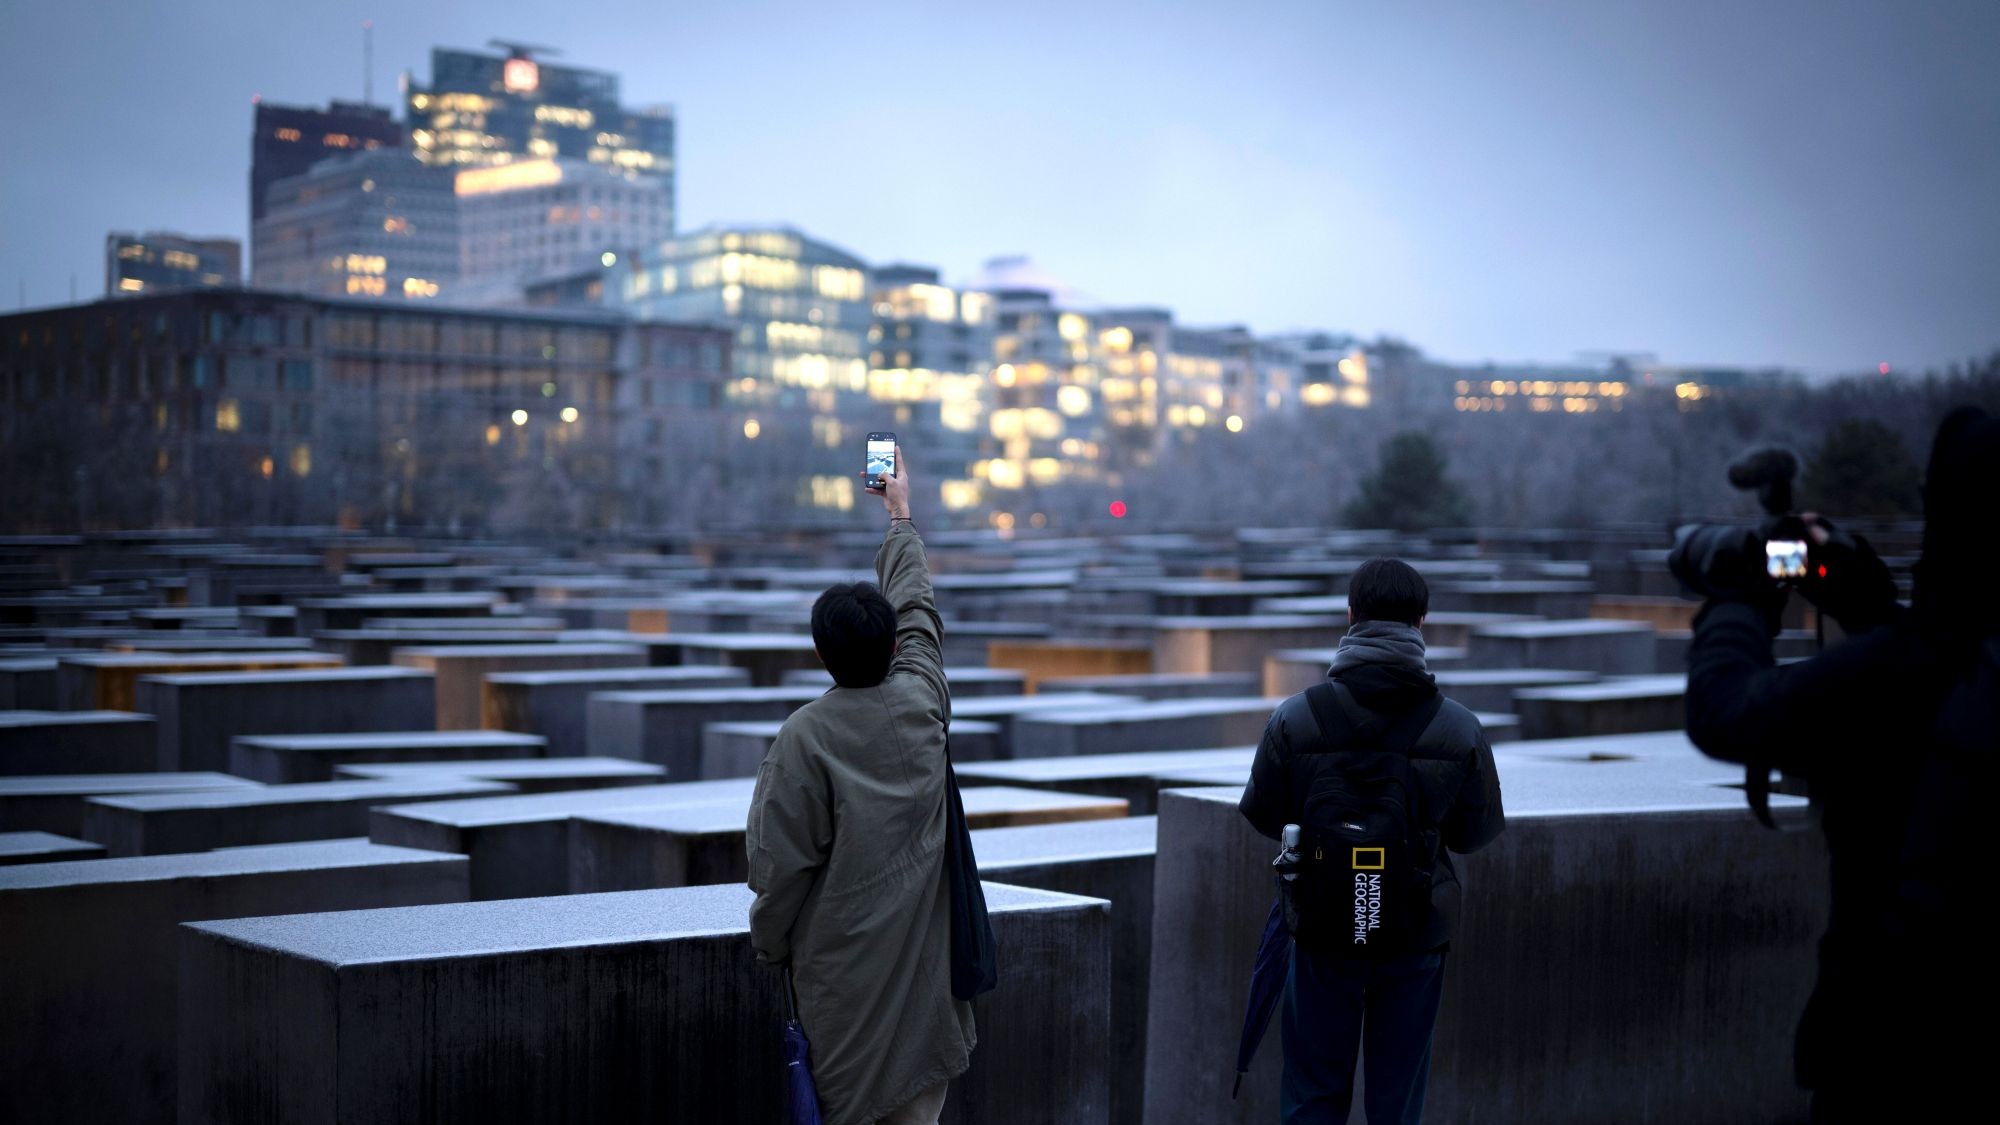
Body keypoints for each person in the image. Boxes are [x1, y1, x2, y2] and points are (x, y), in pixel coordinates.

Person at [1672, 406, 1999, 1122]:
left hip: (1901, 1052)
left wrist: (1739, 603)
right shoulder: (1942, 669)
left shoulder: (1911, 672)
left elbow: (1726, 713)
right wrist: (1874, 605)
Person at [747, 446, 974, 1125]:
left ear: (820, 652)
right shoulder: (923, 701)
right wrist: (900, 514)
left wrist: (768, 940)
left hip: (845, 1008)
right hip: (929, 1004)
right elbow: (918, 609)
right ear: (892, 646)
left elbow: (778, 866)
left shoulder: (803, 738)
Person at [1240, 557, 1506, 1125]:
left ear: (1351, 615)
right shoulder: (1458, 726)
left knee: (1313, 1093)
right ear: (1422, 622)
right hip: (1414, 937)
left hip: (1323, 930)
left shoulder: (1296, 717)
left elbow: (1263, 814)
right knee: (1396, 1101)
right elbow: (1475, 832)